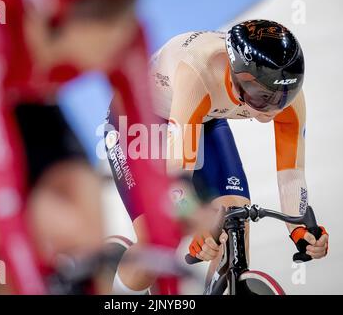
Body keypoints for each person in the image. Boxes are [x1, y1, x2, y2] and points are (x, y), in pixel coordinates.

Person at [0, 0, 182, 294]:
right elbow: (0, 182)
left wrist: (171, 292)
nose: (111, 55)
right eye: (99, 49)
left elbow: (150, 168)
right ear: (48, 25)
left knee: (78, 234)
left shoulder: (123, 36)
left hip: (20, 96)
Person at [106, 19, 329, 294]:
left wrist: (298, 228)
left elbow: (292, 173)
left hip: (204, 117)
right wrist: (194, 221)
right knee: (160, 237)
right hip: (140, 117)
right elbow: (177, 182)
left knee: (235, 219)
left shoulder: (283, 91)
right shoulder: (198, 74)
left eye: (284, 97)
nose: (273, 108)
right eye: (261, 97)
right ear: (237, 78)